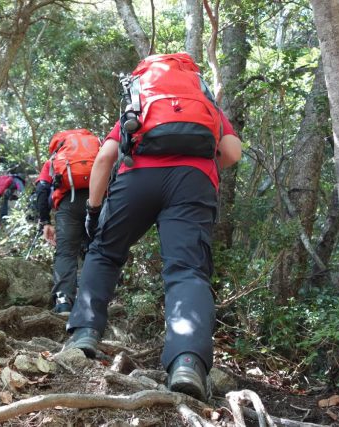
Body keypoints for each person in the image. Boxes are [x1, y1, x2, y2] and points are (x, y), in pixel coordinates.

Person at [62, 53, 243, 402]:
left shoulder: (141, 96)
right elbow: (232, 152)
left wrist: (94, 209)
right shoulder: (203, 102)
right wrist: (200, 170)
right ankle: (187, 362)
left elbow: (105, 158)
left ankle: (84, 333)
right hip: (194, 181)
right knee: (188, 272)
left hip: (137, 178)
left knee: (104, 251)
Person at [35, 129, 100, 315]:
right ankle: (93, 303)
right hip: (99, 201)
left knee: (66, 253)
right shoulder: (98, 152)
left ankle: (63, 301)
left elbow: (42, 189)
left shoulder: (55, 159)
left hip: (68, 205)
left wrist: (45, 221)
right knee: (97, 250)